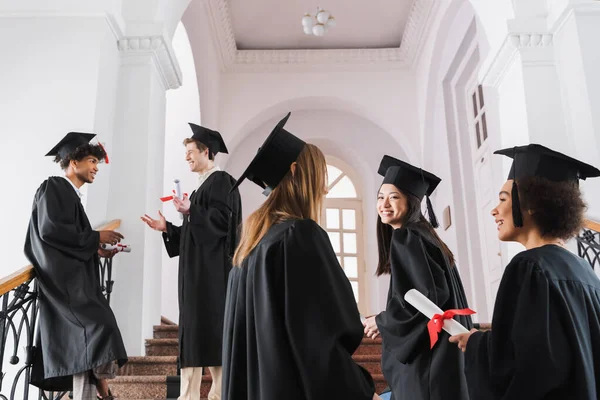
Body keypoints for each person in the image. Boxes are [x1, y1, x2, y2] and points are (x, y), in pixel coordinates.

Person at [221, 112, 379, 400]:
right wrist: (361, 390)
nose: (324, 188)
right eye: (321, 176)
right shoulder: (299, 236)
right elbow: (320, 338)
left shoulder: (246, 254)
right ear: (296, 171)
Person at [450, 144, 600, 399]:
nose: (494, 210)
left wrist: (475, 345)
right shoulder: (586, 272)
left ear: (532, 203)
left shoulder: (529, 267)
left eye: (503, 199)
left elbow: (525, 366)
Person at [141, 123, 242, 400]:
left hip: (212, 279)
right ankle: (188, 395)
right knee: (196, 337)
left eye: (190, 151)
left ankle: (220, 394)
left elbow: (224, 224)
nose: (186, 157)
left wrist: (191, 210)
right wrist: (169, 229)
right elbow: (195, 233)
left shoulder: (221, 181)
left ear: (206, 151)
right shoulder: (201, 189)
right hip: (197, 278)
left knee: (212, 335)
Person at [25, 132, 127, 400]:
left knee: (89, 342)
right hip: (64, 285)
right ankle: (103, 390)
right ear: (73, 161)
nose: (95, 168)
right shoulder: (54, 187)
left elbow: (66, 235)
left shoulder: (69, 195)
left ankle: (98, 391)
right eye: (92, 161)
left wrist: (97, 248)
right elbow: (51, 231)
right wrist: (95, 237)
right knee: (98, 330)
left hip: (73, 283)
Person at [363, 155, 472, 400]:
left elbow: (429, 297)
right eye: (381, 197)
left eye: (394, 197)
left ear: (411, 202)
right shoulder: (427, 236)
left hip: (430, 360)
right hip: (445, 357)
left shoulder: (407, 236)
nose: (385, 204)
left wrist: (382, 321)